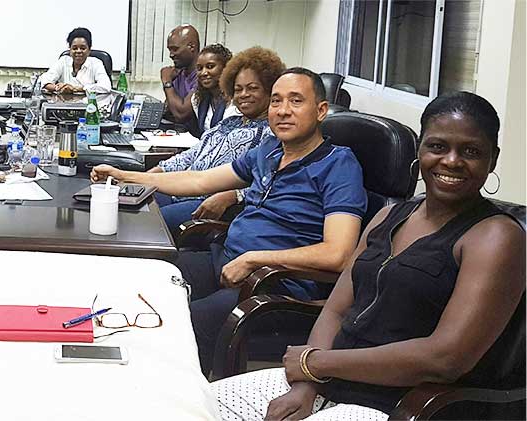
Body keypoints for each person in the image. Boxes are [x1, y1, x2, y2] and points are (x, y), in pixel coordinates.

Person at [210, 91, 526, 421]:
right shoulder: (388, 216)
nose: (451, 161)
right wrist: (306, 384)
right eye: (437, 146)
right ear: (420, 149)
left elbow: (445, 358)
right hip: (326, 382)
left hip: (400, 405)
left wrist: (315, 362)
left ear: (492, 159)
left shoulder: (495, 236)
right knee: (195, 405)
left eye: (471, 151)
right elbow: (337, 309)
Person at [92, 68, 367, 375]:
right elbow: (199, 180)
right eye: (276, 101)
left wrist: (254, 260)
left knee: (177, 324)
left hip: (274, 285)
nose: (283, 110)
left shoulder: (339, 165)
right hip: (224, 259)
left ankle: (183, 394)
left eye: (296, 101)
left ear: (320, 110)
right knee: (143, 280)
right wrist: (126, 176)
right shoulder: (268, 152)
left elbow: (338, 254)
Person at [151, 46, 285, 233]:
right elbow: (190, 156)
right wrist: (150, 175)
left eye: (252, 88)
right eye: (238, 89)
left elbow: (271, 185)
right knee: (131, 202)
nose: (244, 94)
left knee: (148, 222)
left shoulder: (271, 133)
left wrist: (233, 195)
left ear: (270, 91)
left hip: (205, 202)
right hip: (182, 188)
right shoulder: (229, 122)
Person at [39, 27, 111, 94]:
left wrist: (77, 88)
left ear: (89, 50)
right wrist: (58, 88)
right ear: (70, 49)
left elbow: (106, 86)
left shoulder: (96, 63)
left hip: (88, 103)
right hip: (64, 102)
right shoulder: (63, 61)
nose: (78, 51)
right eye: (74, 48)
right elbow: (45, 80)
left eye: (83, 48)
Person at [191, 44, 240, 132]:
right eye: (199, 68)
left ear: (226, 67)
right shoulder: (197, 100)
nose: (203, 73)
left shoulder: (237, 99)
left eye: (210, 66)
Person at [161, 24, 200, 134]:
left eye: (175, 49)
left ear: (191, 47)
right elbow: (170, 110)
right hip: (178, 133)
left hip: (196, 138)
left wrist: (167, 82)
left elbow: (181, 114)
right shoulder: (178, 74)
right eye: (169, 50)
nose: (171, 55)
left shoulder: (204, 77)